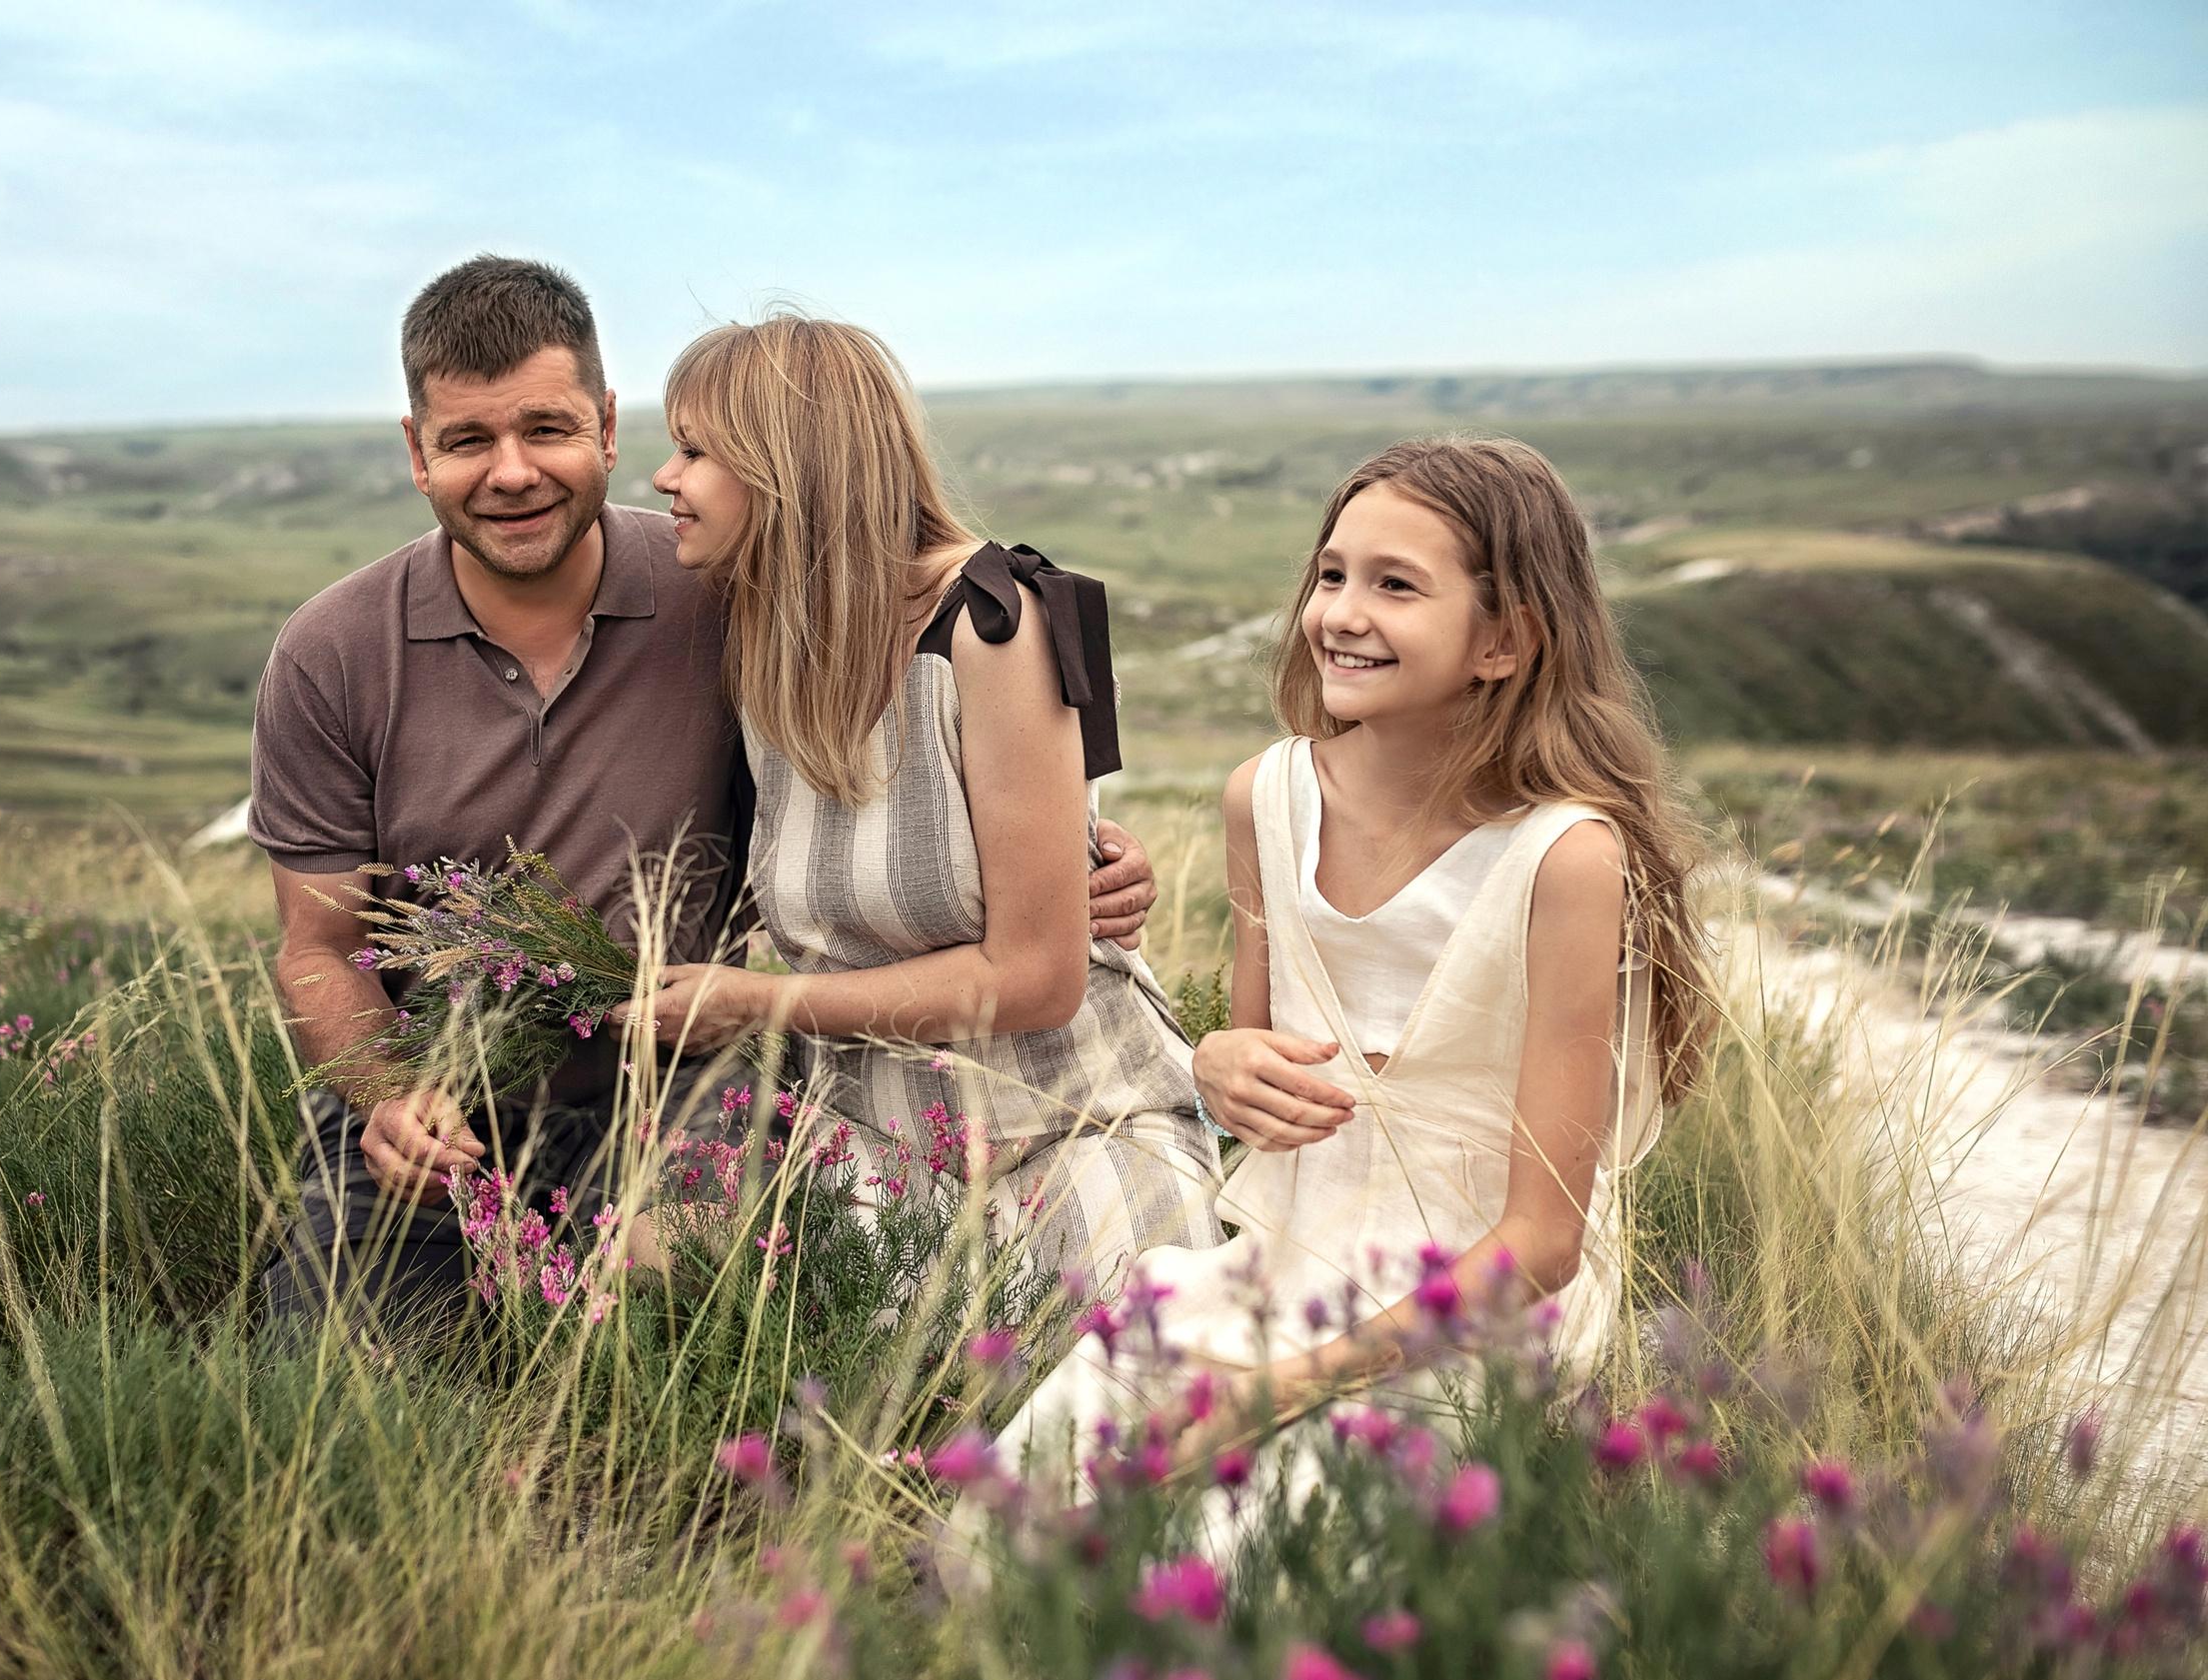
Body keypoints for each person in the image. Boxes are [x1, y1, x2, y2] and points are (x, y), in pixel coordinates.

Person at [249, 259, 1163, 1329]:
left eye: (544, 430)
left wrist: (1073, 848)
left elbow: (920, 718)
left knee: (657, 1346)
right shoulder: (331, 653)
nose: (510, 474)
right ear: (416, 451)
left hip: (692, 1081)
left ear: (603, 425)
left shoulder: (728, 590)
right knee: (356, 1372)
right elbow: (316, 945)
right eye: (465, 441)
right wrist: (391, 1095)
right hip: (442, 1097)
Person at [995, 434, 1711, 1480]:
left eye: (1394, 585)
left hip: (1473, 1306)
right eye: (1330, 575)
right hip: (1291, 1257)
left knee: (1244, 1550)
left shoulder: (1564, 858)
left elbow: (1543, 1243)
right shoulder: (1266, 799)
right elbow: (1257, 1080)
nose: (1339, 612)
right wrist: (1218, 1065)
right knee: (1027, 1498)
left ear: (1503, 639)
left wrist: (1277, 1393)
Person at [608, 314, 1224, 1292]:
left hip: (1072, 1113)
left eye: (693, 450)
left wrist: (760, 1006)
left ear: (782, 466)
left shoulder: (991, 625)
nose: (662, 479)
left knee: (1119, 1386)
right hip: (869, 1137)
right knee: (692, 1309)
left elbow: (1036, 978)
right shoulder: (761, 622)